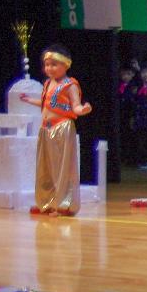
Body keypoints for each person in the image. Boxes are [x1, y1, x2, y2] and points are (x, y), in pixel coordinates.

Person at [19, 44, 92, 216]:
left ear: (65, 65)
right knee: (46, 168)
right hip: (46, 129)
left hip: (62, 128)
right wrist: (30, 100)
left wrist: (83, 110)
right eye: (47, 65)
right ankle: (47, 202)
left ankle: (62, 205)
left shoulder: (70, 85)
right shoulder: (47, 84)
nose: (49, 68)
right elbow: (46, 104)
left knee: (62, 168)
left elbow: (75, 106)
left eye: (54, 64)